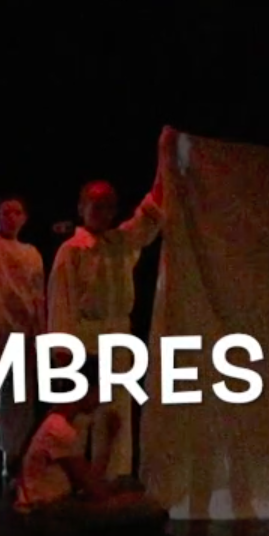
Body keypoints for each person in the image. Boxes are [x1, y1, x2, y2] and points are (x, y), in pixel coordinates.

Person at [47, 128, 176, 483]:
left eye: (109, 206)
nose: (103, 212)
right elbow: (61, 300)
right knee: (81, 412)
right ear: (81, 208)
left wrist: (165, 155)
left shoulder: (120, 243)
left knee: (117, 408)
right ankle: (72, 478)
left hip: (118, 333)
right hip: (85, 337)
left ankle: (114, 476)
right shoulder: (72, 251)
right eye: (96, 205)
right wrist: (63, 348)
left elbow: (151, 214)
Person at [15, 355, 170, 536]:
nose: (102, 399)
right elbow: (95, 490)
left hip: (56, 505)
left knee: (128, 487)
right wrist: (126, 500)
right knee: (146, 509)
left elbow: (90, 480)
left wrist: (109, 439)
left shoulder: (62, 423)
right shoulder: (59, 429)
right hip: (44, 512)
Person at [0, 155, 45, 484]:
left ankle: (10, 459)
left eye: (17, 212)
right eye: (5, 212)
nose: (11, 217)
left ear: (25, 218)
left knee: (17, 401)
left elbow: (38, 297)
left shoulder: (32, 254)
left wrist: (40, 335)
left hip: (20, 333)